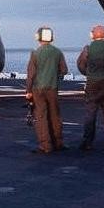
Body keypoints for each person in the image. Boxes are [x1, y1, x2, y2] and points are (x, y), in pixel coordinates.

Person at [25, 26, 68, 154]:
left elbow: (31, 74)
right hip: (53, 88)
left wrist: (28, 90)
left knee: (41, 116)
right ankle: (58, 143)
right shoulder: (58, 52)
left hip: (38, 89)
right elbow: (64, 70)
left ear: (39, 37)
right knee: (55, 115)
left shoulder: (35, 53)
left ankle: (45, 145)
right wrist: (56, 76)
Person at [76, 24, 104, 151]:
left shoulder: (88, 48)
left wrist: (89, 74)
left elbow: (81, 64)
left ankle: (88, 141)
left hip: (93, 83)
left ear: (92, 35)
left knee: (91, 112)